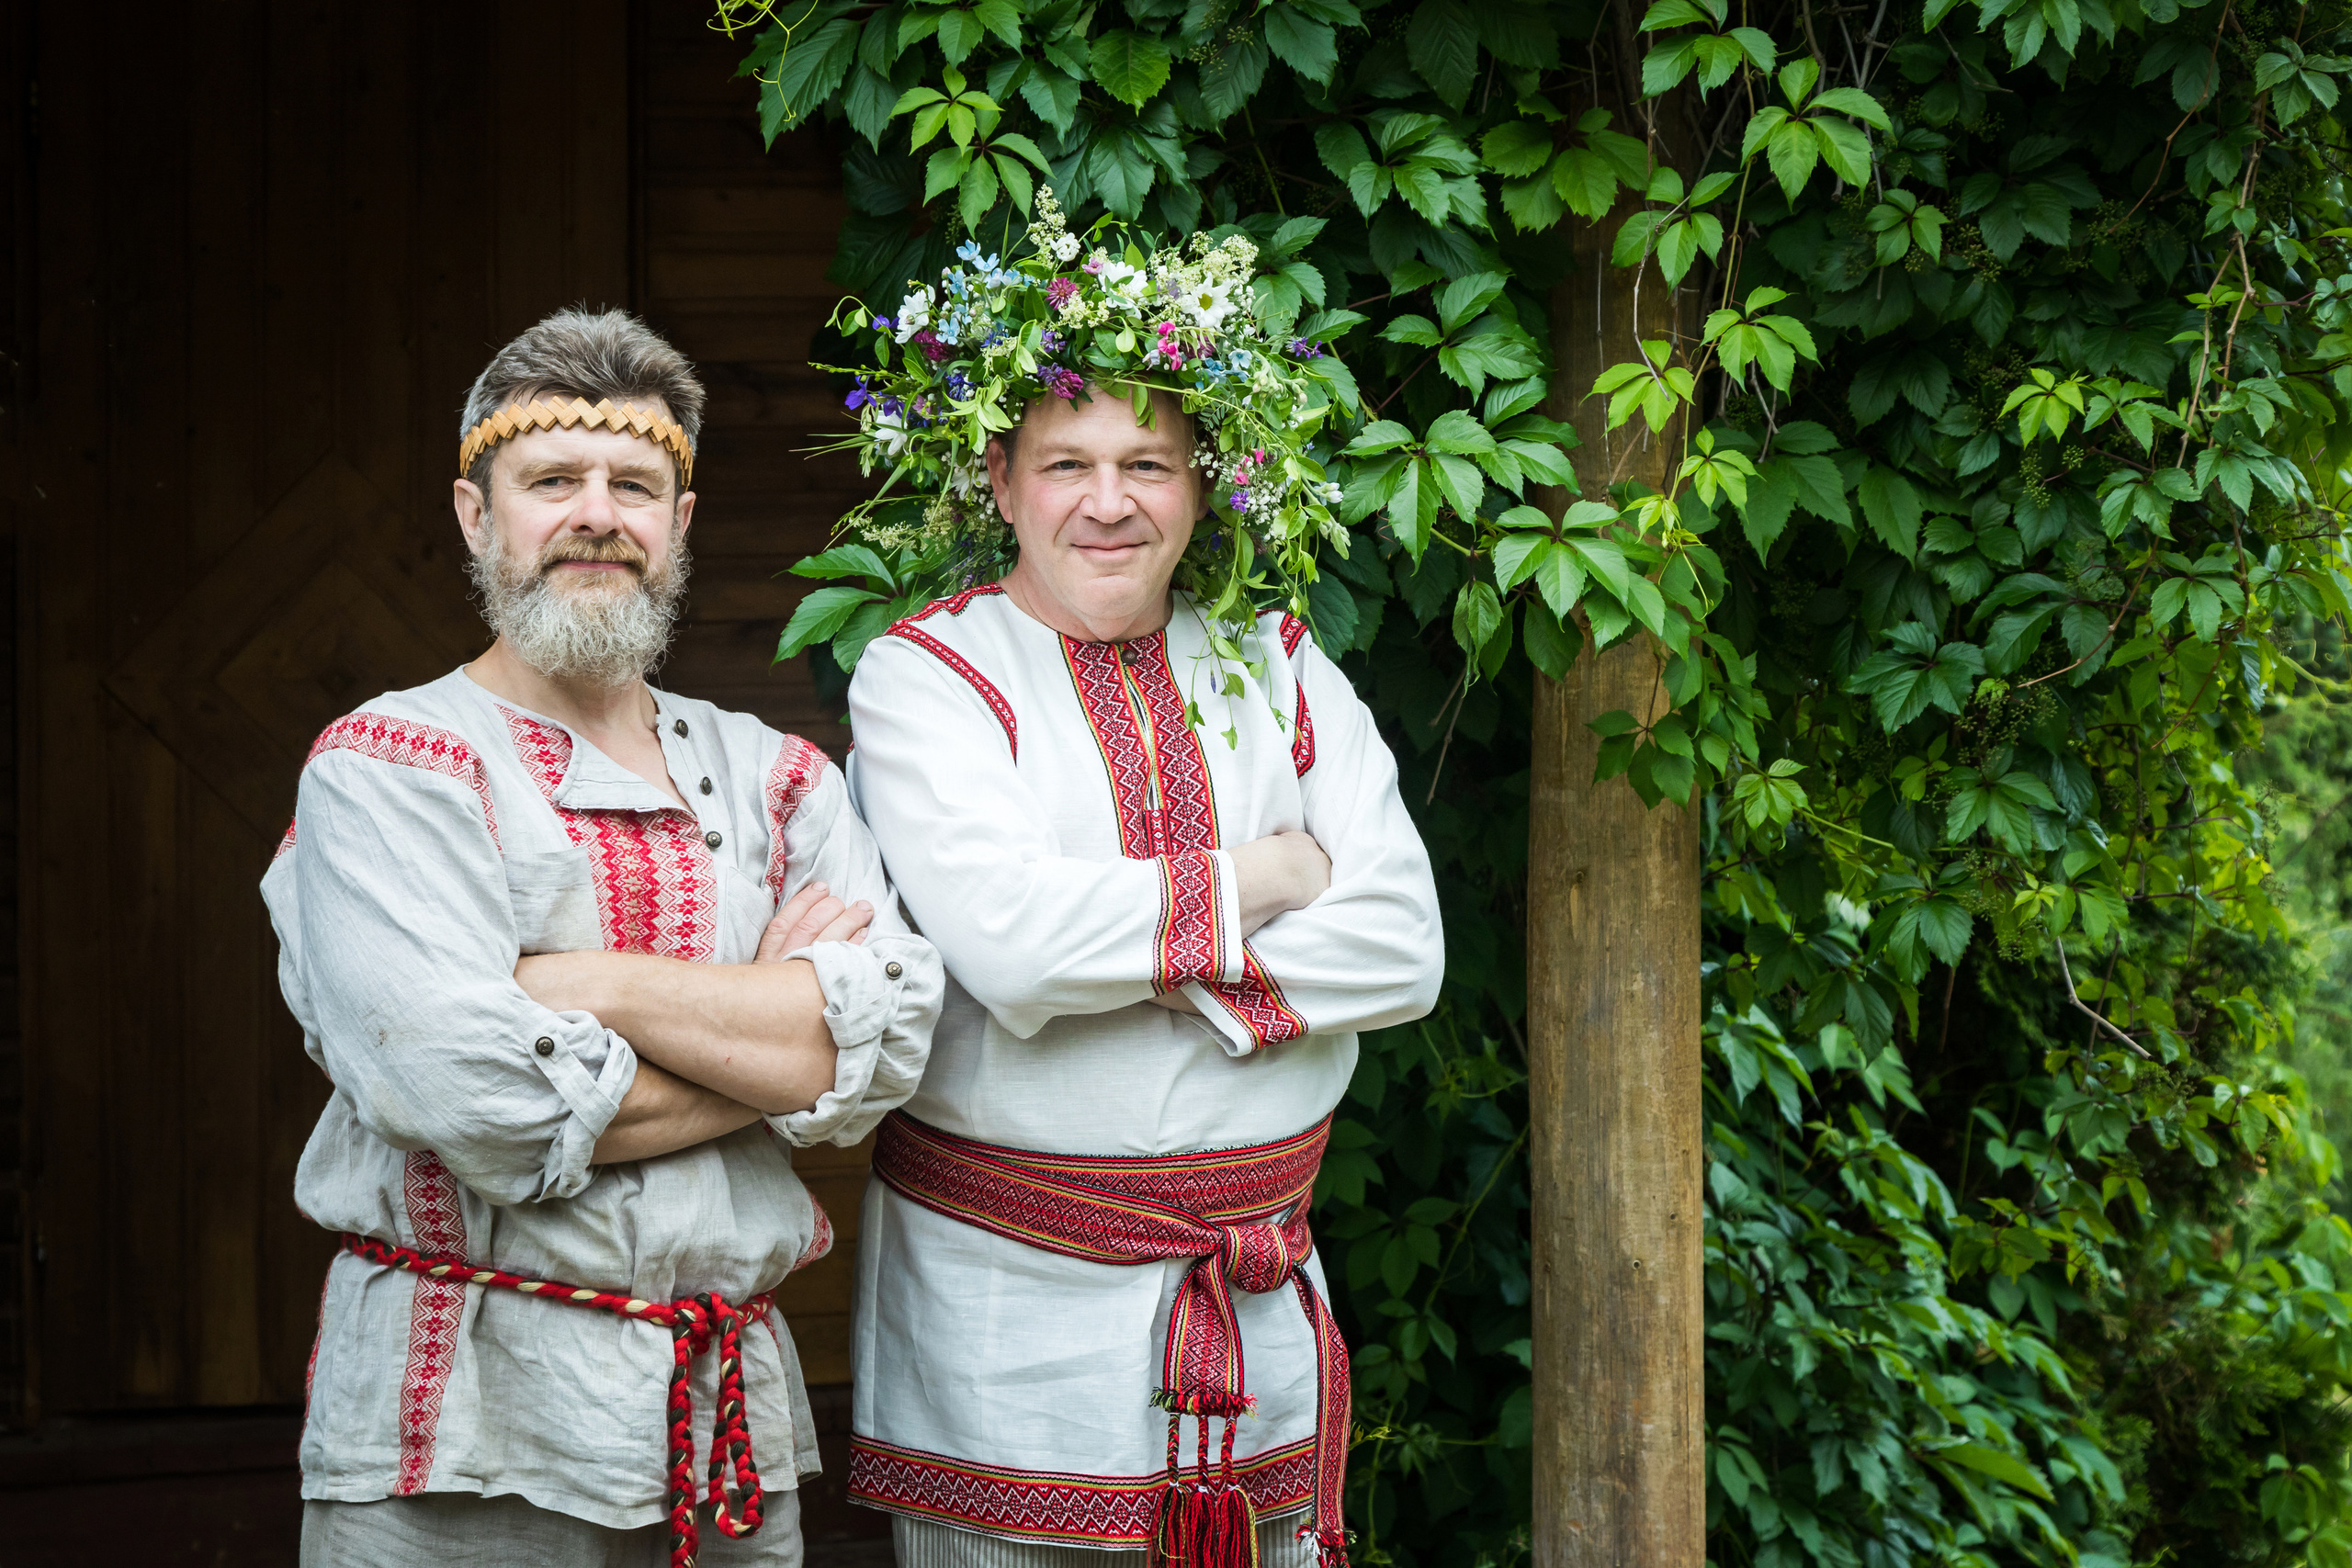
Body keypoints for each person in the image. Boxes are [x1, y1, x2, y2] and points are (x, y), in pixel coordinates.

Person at [263, 308, 941, 1568]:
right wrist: (768, 1030)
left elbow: (883, 1051)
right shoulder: (387, 770)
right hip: (458, 1443)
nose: (597, 514)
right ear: (478, 515)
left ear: (679, 526)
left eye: (636, 484)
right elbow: (471, 1096)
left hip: (724, 1423)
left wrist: (580, 987)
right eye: (552, 481)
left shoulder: (776, 778)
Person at [842, 368, 1445, 1564]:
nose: (1107, 503)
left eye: (1148, 466)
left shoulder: (1278, 664)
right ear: (1002, 482)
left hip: (1256, 1308)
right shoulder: (930, 678)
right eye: (1068, 464)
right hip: (1009, 1325)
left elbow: (1406, 947)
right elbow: (1014, 949)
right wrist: (1269, 878)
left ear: (1203, 488)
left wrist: (1149, 968)